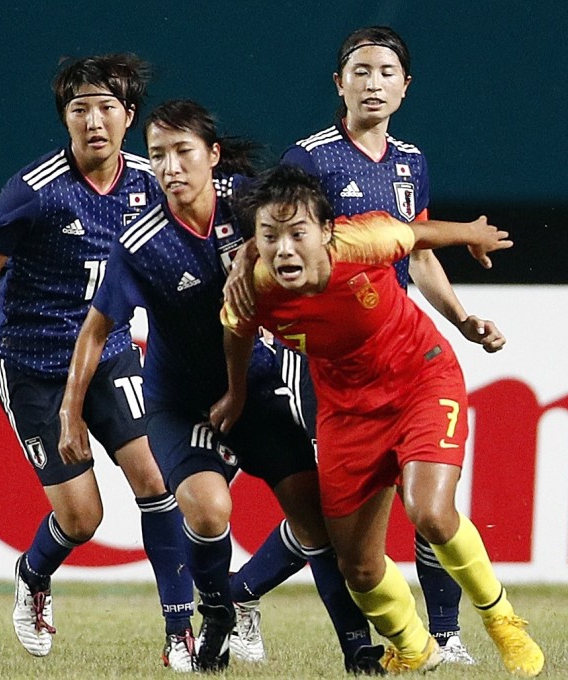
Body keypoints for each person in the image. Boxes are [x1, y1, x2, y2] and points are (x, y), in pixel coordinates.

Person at [59, 99, 390, 674]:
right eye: (157, 155)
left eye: (182, 152)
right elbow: (94, 332)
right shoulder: (140, 244)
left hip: (256, 388)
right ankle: (215, 612)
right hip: (179, 402)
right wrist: (70, 414)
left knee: (314, 517)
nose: (169, 167)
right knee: (210, 510)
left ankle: (356, 646)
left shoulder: (252, 203)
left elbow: (314, 230)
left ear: (212, 156)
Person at [216, 163, 544, 677]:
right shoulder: (254, 288)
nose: (284, 249)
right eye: (269, 237)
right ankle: (415, 648)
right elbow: (235, 337)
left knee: (431, 513)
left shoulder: (362, 239)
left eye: (298, 234)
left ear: (326, 232)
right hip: (346, 413)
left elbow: (416, 235)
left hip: (421, 379)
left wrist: (473, 234)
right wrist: (236, 398)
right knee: (358, 567)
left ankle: (503, 620)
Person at [0, 54, 196, 671]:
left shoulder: (149, 183)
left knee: (157, 482)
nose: (93, 121)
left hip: (110, 354)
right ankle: (33, 574)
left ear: (129, 116)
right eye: (79, 108)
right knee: (83, 519)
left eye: (106, 107)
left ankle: (179, 635)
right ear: (64, 117)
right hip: (32, 364)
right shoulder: (33, 192)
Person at [276, 29, 504, 662]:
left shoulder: (411, 162)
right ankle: (250, 596)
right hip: (331, 363)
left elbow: (419, 255)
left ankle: (447, 633)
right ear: (338, 83)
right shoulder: (310, 160)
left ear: (406, 86)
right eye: (360, 71)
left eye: (386, 72)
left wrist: (461, 320)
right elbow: (280, 251)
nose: (373, 82)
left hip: (405, 353)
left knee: (426, 492)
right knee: (343, 516)